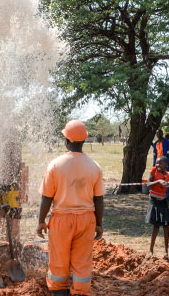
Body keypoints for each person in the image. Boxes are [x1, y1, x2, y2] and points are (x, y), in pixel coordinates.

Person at [37, 120, 104, 296]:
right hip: (86, 220)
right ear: (84, 141)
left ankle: (59, 292)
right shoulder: (94, 166)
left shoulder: (55, 165)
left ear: (66, 141)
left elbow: (46, 198)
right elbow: (99, 200)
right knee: (82, 265)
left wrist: (41, 221)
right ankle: (80, 291)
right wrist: (99, 224)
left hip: (61, 221)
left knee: (58, 263)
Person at [146, 156, 169, 260]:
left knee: (166, 226)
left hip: (163, 201)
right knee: (156, 226)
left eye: (160, 163)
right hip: (154, 201)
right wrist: (158, 182)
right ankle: (151, 250)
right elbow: (148, 185)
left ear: (166, 164)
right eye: (156, 163)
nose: (157, 165)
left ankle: (166, 252)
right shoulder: (154, 171)